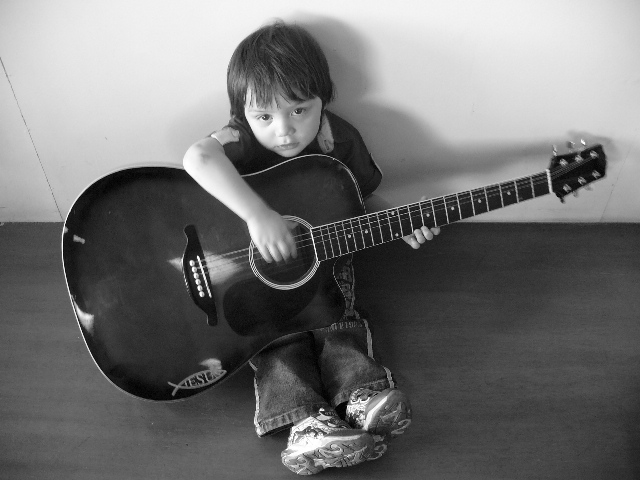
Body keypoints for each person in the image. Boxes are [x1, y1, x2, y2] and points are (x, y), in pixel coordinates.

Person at [183, 20, 440, 476]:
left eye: (299, 110)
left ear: (324, 97)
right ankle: (306, 427)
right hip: (248, 281)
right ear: (244, 113)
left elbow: (360, 199)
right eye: (265, 117)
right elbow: (197, 158)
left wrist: (400, 224)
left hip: (326, 264)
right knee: (278, 343)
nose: (284, 130)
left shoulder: (340, 140)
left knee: (338, 322)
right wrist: (258, 216)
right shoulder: (240, 138)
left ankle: (361, 397)